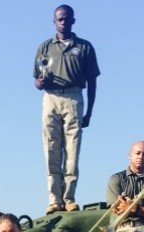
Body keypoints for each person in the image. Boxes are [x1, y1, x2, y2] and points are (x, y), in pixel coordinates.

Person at [33, 4, 100, 214]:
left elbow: (92, 81)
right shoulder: (45, 47)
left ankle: (69, 198)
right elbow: (36, 78)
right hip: (51, 98)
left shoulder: (85, 47)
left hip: (73, 96)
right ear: (54, 21)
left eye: (66, 19)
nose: (63, 22)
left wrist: (89, 111)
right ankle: (54, 200)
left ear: (73, 21)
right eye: (59, 19)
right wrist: (40, 83)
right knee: (51, 148)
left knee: (72, 150)